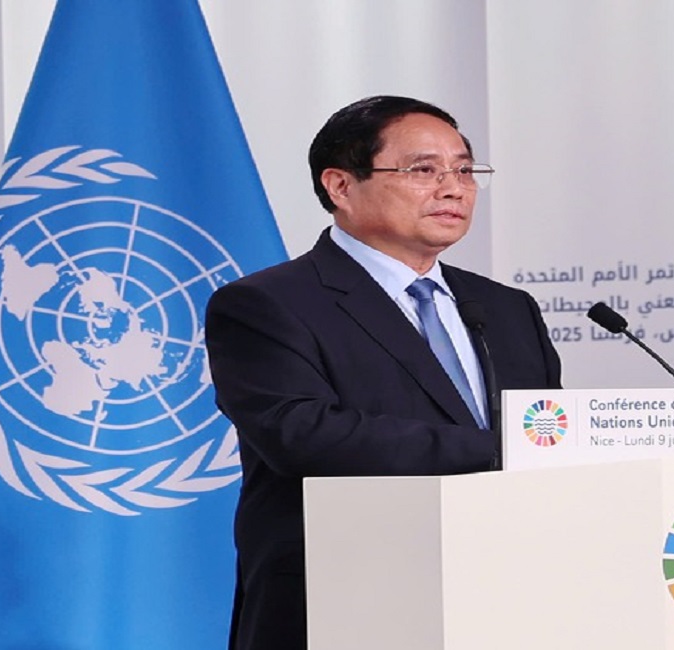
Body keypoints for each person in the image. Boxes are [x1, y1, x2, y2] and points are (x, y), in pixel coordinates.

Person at [204, 95, 562, 650]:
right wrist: (499, 449)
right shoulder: (266, 304)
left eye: (465, 171)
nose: (454, 189)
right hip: (343, 601)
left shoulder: (507, 308)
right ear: (340, 186)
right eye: (424, 170)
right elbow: (304, 435)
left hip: (503, 592)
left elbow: (547, 432)